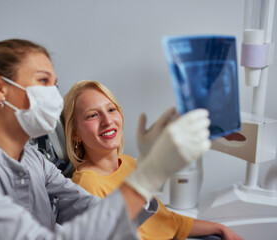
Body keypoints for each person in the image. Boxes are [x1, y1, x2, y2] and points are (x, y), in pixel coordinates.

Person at [0, 39, 211, 240]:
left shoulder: (34, 161)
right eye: (43, 82)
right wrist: (149, 175)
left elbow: (88, 210)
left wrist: (147, 175)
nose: (54, 96)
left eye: (54, 84)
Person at [62, 80, 244, 240]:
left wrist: (221, 229)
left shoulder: (128, 163)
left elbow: (168, 222)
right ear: (75, 133)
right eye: (92, 115)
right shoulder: (86, 186)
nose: (107, 120)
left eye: (111, 109)